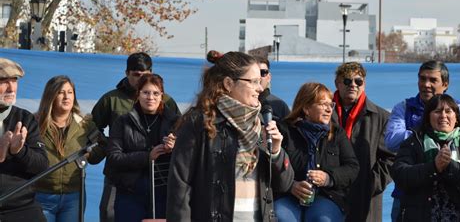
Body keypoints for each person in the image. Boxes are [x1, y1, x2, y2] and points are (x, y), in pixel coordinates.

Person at [166, 51, 294, 222]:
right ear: (228, 83)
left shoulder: (260, 123)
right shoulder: (199, 122)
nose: (260, 88)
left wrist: (276, 152)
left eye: (260, 81)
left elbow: (284, 185)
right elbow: (180, 186)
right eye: (254, 82)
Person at [91, 52, 180, 222]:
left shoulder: (168, 104)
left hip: (160, 182)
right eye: (137, 76)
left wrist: (175, 145)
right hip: (122, 178)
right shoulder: (112, 99)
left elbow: (181, 134)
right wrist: (107, 144)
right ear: (127, 73)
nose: (150, 97)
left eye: (155, 93)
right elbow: (93, 128)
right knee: (109, 214)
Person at [385, 60, 460, 221]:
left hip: (453, 201)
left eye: (433, 80)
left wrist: (414, 131)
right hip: (408, 199)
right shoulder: (403, 107)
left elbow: (458, 138)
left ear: (445, 84)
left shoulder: (457, 109)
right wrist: (425, 128)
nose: (426, 84)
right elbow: (391, 141)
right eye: (422, 79)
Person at [275, 82, 359, 222]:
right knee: (281, 218)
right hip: (288, 195)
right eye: (322, 104)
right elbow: (271, 166)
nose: (328, 109)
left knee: (322, 220)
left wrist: (328, 178)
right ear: (306, 108)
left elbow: (352, 167)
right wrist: (291, 185)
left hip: (326, 196)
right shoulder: (285, 131)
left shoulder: (337, 134)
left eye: (330, 105)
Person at [34, 76, 105, 222]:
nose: (66, 97)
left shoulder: (84, 124)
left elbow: (102, 148)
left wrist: (90, 155)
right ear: (50, 96)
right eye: (61, 92)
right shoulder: (34, 123)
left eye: (70, 92)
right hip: (41, 196)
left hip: (74, 197)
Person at [331, 62, 395, 222]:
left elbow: (391, 158)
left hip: (365, 198)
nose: (353, 85)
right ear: (337, 83)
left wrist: (370, 184)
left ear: (364, 85)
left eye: (358, 81)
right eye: (347, 81)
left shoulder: (381, 117)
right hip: (328, 191)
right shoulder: (322, 113)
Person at [0, 58, 48, 221]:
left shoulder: (24, 118)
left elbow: (42, 165)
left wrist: (20, 151)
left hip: (21, 207)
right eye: (3, 81)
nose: (11, 87)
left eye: (14, 81)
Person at [255, 56, 290, 120]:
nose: (258, 77)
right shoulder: (241, 104)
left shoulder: (279, 105)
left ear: (269, 77)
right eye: (254, 73)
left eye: (263, 72)